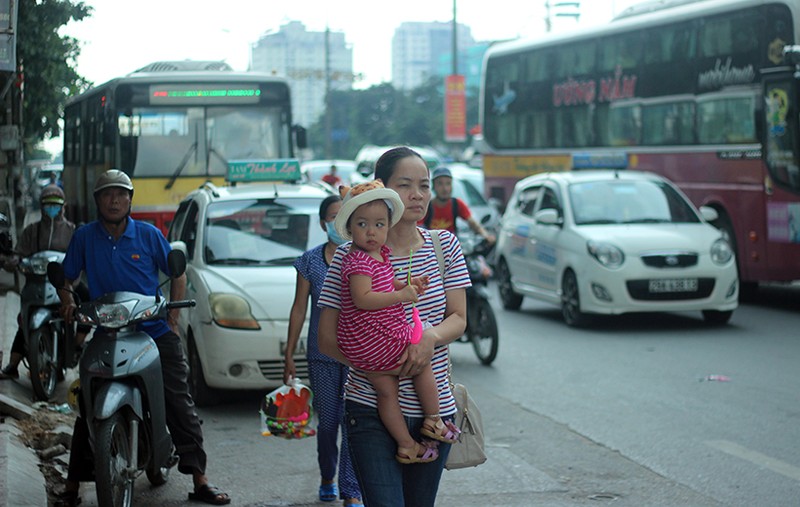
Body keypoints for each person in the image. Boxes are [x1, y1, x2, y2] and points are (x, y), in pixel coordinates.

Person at [54, 169, 231, 506]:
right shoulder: (84, 237)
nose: (114, 200)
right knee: (86, 403)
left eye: (121, 194)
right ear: (97, 201)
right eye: (107, 194)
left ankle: (201, 479)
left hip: (152, 330)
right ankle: (72, 486)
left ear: (130, 199)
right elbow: (68, 278)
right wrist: (68, 302)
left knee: (179, 399)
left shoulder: (149, 235)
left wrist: (173, 318)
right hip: (107, 331)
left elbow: (175, 270)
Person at [318, 146, 471, 506]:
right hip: (369, 407)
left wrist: (427, 339)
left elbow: (459, 319)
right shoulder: (348, 256)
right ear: (382, 191)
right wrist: (379, 365)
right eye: (405, 185)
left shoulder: (443, 245)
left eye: (424, 185)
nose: (417, 195)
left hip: (433, 412)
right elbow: (326, 340)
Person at [332, 180, 460, 466]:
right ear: (350, 228)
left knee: (387, 393)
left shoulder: (378, 256)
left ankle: (406, 445)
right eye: (362, 224)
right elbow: (363, 298)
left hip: (370, 343)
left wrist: (408, 282)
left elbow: (386, 279)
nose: (371, 231)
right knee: (420, 360)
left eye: (379, 225)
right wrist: (401, 295)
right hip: (373, 341)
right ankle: (434, 420)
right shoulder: (357, 261)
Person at [283, 194, 364, 506]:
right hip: (322, 355)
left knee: (353, 422)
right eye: (332, 215)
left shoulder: (361, 258)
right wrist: (289, 353)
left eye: (342, 214)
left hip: (358, 355)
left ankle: (351, 490)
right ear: (323, 223)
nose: (337, 220)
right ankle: (327, 475)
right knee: (328, 423)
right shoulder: (309, 262)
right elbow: (298, 310)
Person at [0, 185, 88, 379]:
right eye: (47, 205)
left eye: (55, 205)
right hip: (37, 282)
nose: (51, 209)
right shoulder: (32, 231)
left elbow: (82, 255)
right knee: (25, 317)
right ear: (41, 206)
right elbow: (19, 253)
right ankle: (13, 364)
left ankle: (78, 342)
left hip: (67, 283)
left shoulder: (72, 231)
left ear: (63, 207)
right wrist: (12, 261)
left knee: (88, 299)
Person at [420, 166, 496, 244]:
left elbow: (473, 223)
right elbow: (417, 229)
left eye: (448, 183)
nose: (445, 188)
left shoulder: (456, 204)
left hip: (451, 249)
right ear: (433, 186)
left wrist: (486, 235)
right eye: (440, 184)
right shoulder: (426, 206)